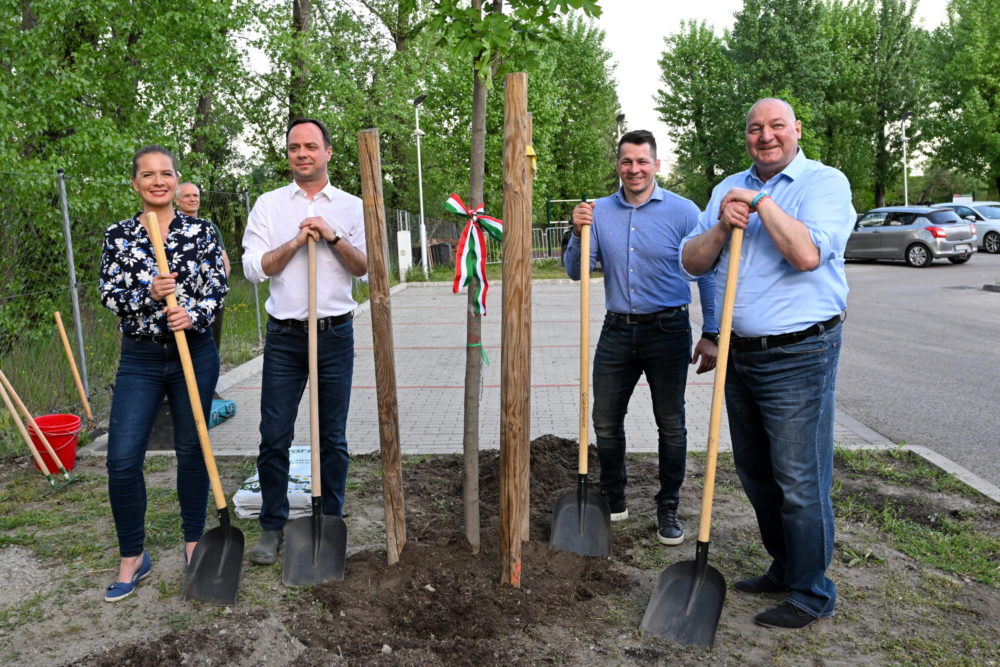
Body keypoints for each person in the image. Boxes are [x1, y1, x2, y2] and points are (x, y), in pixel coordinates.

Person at [679, 98, 855, 629]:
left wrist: (759, 203)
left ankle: (811, 590)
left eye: (777, 126)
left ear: (796, 130)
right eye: (756, 128)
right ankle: (785, 566)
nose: (766, 135)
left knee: (800, 479)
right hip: (740, 352)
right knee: (756, 474)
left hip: (801, 351)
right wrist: (721, 225)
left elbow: (805, 255)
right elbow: (692, 261)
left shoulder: (825, 184)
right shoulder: (724, 188)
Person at [564, 129, 719, 546]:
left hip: (668, 329)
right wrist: (576, 234)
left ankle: (667, 506)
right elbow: (578, 271)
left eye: (642, 161)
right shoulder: (597, 212)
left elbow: (706, 273)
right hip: (617, 329)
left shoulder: (686, 213)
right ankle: (614, 497)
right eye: (626, 161)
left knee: (670, 423)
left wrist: (713, 331)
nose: (634, 169)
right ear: (618, 165)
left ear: (657, 165)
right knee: (605, 420)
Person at [99, 145, 229, 601]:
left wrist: (193, 313)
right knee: (121, 459)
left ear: (176, 180)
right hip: (140, 358)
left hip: (195, 352)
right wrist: (148, 292)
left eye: (166, 174)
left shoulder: (201, 231)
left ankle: (194, 542)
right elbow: (108, 294)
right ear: (134, 183)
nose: (158, 181)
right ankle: (133, 557)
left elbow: (218, 285)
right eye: (148, 175)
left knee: (192, 450)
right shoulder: (118, 236)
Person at [241, 117, 368, 565]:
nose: (302, 153)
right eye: (294, 147)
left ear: (328, 152)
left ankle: (328, 519)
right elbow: (255, 268)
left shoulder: (352, 206)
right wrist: (296, 241)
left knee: (331, 437)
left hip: (334, 333)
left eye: (311, 146)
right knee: (274, 434)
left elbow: (365, 267)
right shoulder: (270, 206)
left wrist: (331, 236)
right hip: (285, 338)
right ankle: (272, 525)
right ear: (288, 155)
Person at [175, 182, 231, 353]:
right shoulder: (171, 227)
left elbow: (225, 265)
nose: (192, 199)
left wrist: (213, 293)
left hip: (209, 300)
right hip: (181, 303)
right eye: (187, 196)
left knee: (211, 349)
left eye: (195, 195)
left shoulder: (210, 228)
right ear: (177, 201)